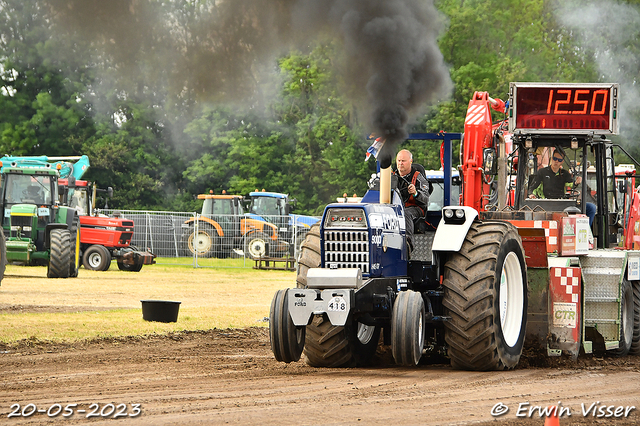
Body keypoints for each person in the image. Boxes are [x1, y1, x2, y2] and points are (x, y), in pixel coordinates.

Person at [528, 146, 596, 226]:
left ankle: (586, 231)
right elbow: (533, 186)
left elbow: (571, 184)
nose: (556, 161)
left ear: (562, 161)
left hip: (562, 204)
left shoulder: (564, 174)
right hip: (545, 205)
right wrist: (531, 194)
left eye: (559, 160)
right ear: (551, 158)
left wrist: (576, 182)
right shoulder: (542, 172)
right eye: (555, 158)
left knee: (591, 207)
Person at [395, 149, 430, 244]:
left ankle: (407, 243)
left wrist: (415, 193)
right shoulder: (392, 177)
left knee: (405, 213)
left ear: (411, 161)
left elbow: (426, 199)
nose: (400, 163)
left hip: (415, 208)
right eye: (399, 161)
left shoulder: (419, 177)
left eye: (403, 161)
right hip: (395, 207)